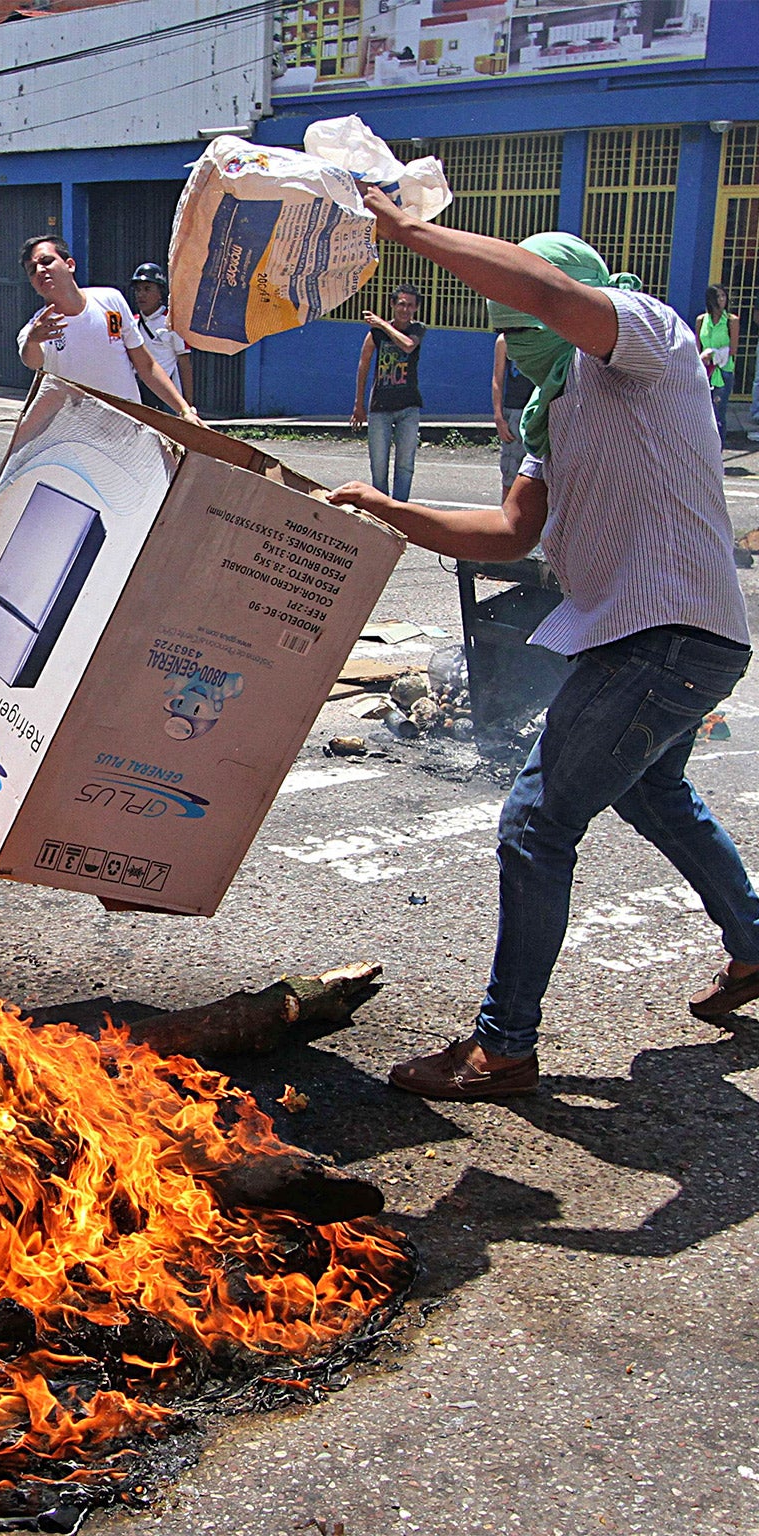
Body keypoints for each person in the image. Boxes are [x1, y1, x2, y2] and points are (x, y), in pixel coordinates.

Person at [327, 200, 759, 1102]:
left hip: (665, 633)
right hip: (663, 638)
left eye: (529, 326)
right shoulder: (552, 408)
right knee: (657, 794)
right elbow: (505, 530)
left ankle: (504, 1046)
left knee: (533, 823)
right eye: (508, 337)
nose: (522, 343)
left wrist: (411, 237)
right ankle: (756, 946)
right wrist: (387, 510)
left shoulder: (649, 339)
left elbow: (553, 295)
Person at [17, 237, 199, 421]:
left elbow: (146, 365)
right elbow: (32, 361)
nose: (40, 270)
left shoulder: (111, 300)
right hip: (74, 434)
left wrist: (184, 410)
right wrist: (32, 341)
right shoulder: (36, 329)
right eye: (32, 270)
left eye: (47, 261)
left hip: (124, 428)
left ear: (70, 265)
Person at [351, 283, 426, 503]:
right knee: (378, 466)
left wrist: (382, 324)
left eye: (410, 306)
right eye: (401, 304)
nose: (405, 309)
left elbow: (408, 345)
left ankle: (400, 510)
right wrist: (359, 404)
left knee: (405, 464)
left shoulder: (417, 329)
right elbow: (363, 366)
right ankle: (381, 510)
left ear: (416, 309)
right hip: (380, 408)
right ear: (393, 305)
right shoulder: (375, 334)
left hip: (408, 407)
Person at [126, 261, 194, 417]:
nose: (141, 294)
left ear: (160, 292)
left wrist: (188, 404)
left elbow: (184, 363)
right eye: (137, 290)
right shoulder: (132, 323)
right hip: (139, 393)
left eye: (147, 289)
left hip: (166, 397)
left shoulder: (173, 323)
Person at [492, 332, 535, 491]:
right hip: (515, 410)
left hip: (540, 410)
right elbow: (497, 379)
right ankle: (507, 513)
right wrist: (498, 417)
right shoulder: (505, 340)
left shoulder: (546, 336)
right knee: (511, 474)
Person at [698, 284, 740, 443]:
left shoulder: (731, 321)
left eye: (723, 296)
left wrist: (714, 353)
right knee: (701, 412)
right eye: (718, 296)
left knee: (718, 413)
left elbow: (733, 349)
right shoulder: (702, 320)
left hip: (722, 371)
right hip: (704, 371)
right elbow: (697, 346)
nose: (721, 300)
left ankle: (718, 450)